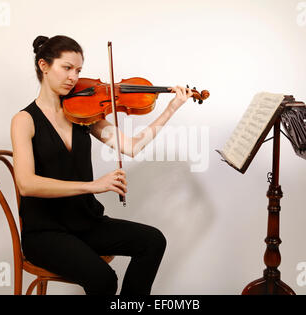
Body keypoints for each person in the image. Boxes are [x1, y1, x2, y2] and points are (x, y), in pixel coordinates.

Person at [10, 35, 193, 295]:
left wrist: (171, 109)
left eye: (78, 70)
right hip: (45, 233)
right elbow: (26, 184)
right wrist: (93, 186)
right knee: (104, 279)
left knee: (152, 241)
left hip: (85, 223)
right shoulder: (24, 120)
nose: (74, 77)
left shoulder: (84, 112)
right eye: (67, 68)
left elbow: (131, 146)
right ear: (44, 65)